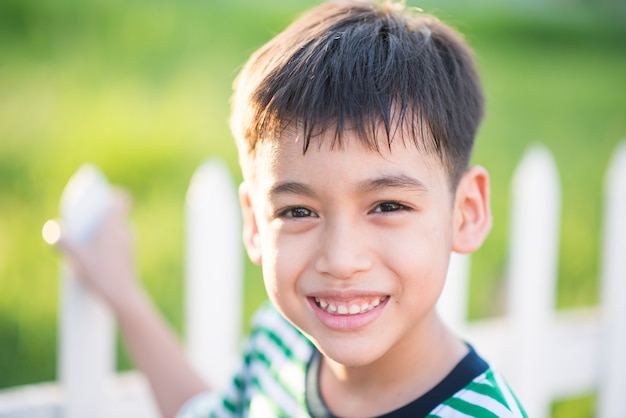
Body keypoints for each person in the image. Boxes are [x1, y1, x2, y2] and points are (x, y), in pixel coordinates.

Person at [54, 1, 527, 417]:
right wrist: (124, 295)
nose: (341, 260)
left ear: (465, 212)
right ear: (256, 223)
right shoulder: (279, 345)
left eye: (387, 205)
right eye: (299, 211)